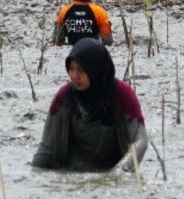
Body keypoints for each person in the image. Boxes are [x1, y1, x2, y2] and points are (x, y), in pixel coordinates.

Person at [31, 39, 147, 172]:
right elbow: (46, 148)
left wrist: (119, 172)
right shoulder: (65, 97)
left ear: (95, 69)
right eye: (71, 69)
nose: (74, 76)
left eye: (80, 70)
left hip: (112, 170)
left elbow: (140, 141)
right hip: (73, 173)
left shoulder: (123, 95)